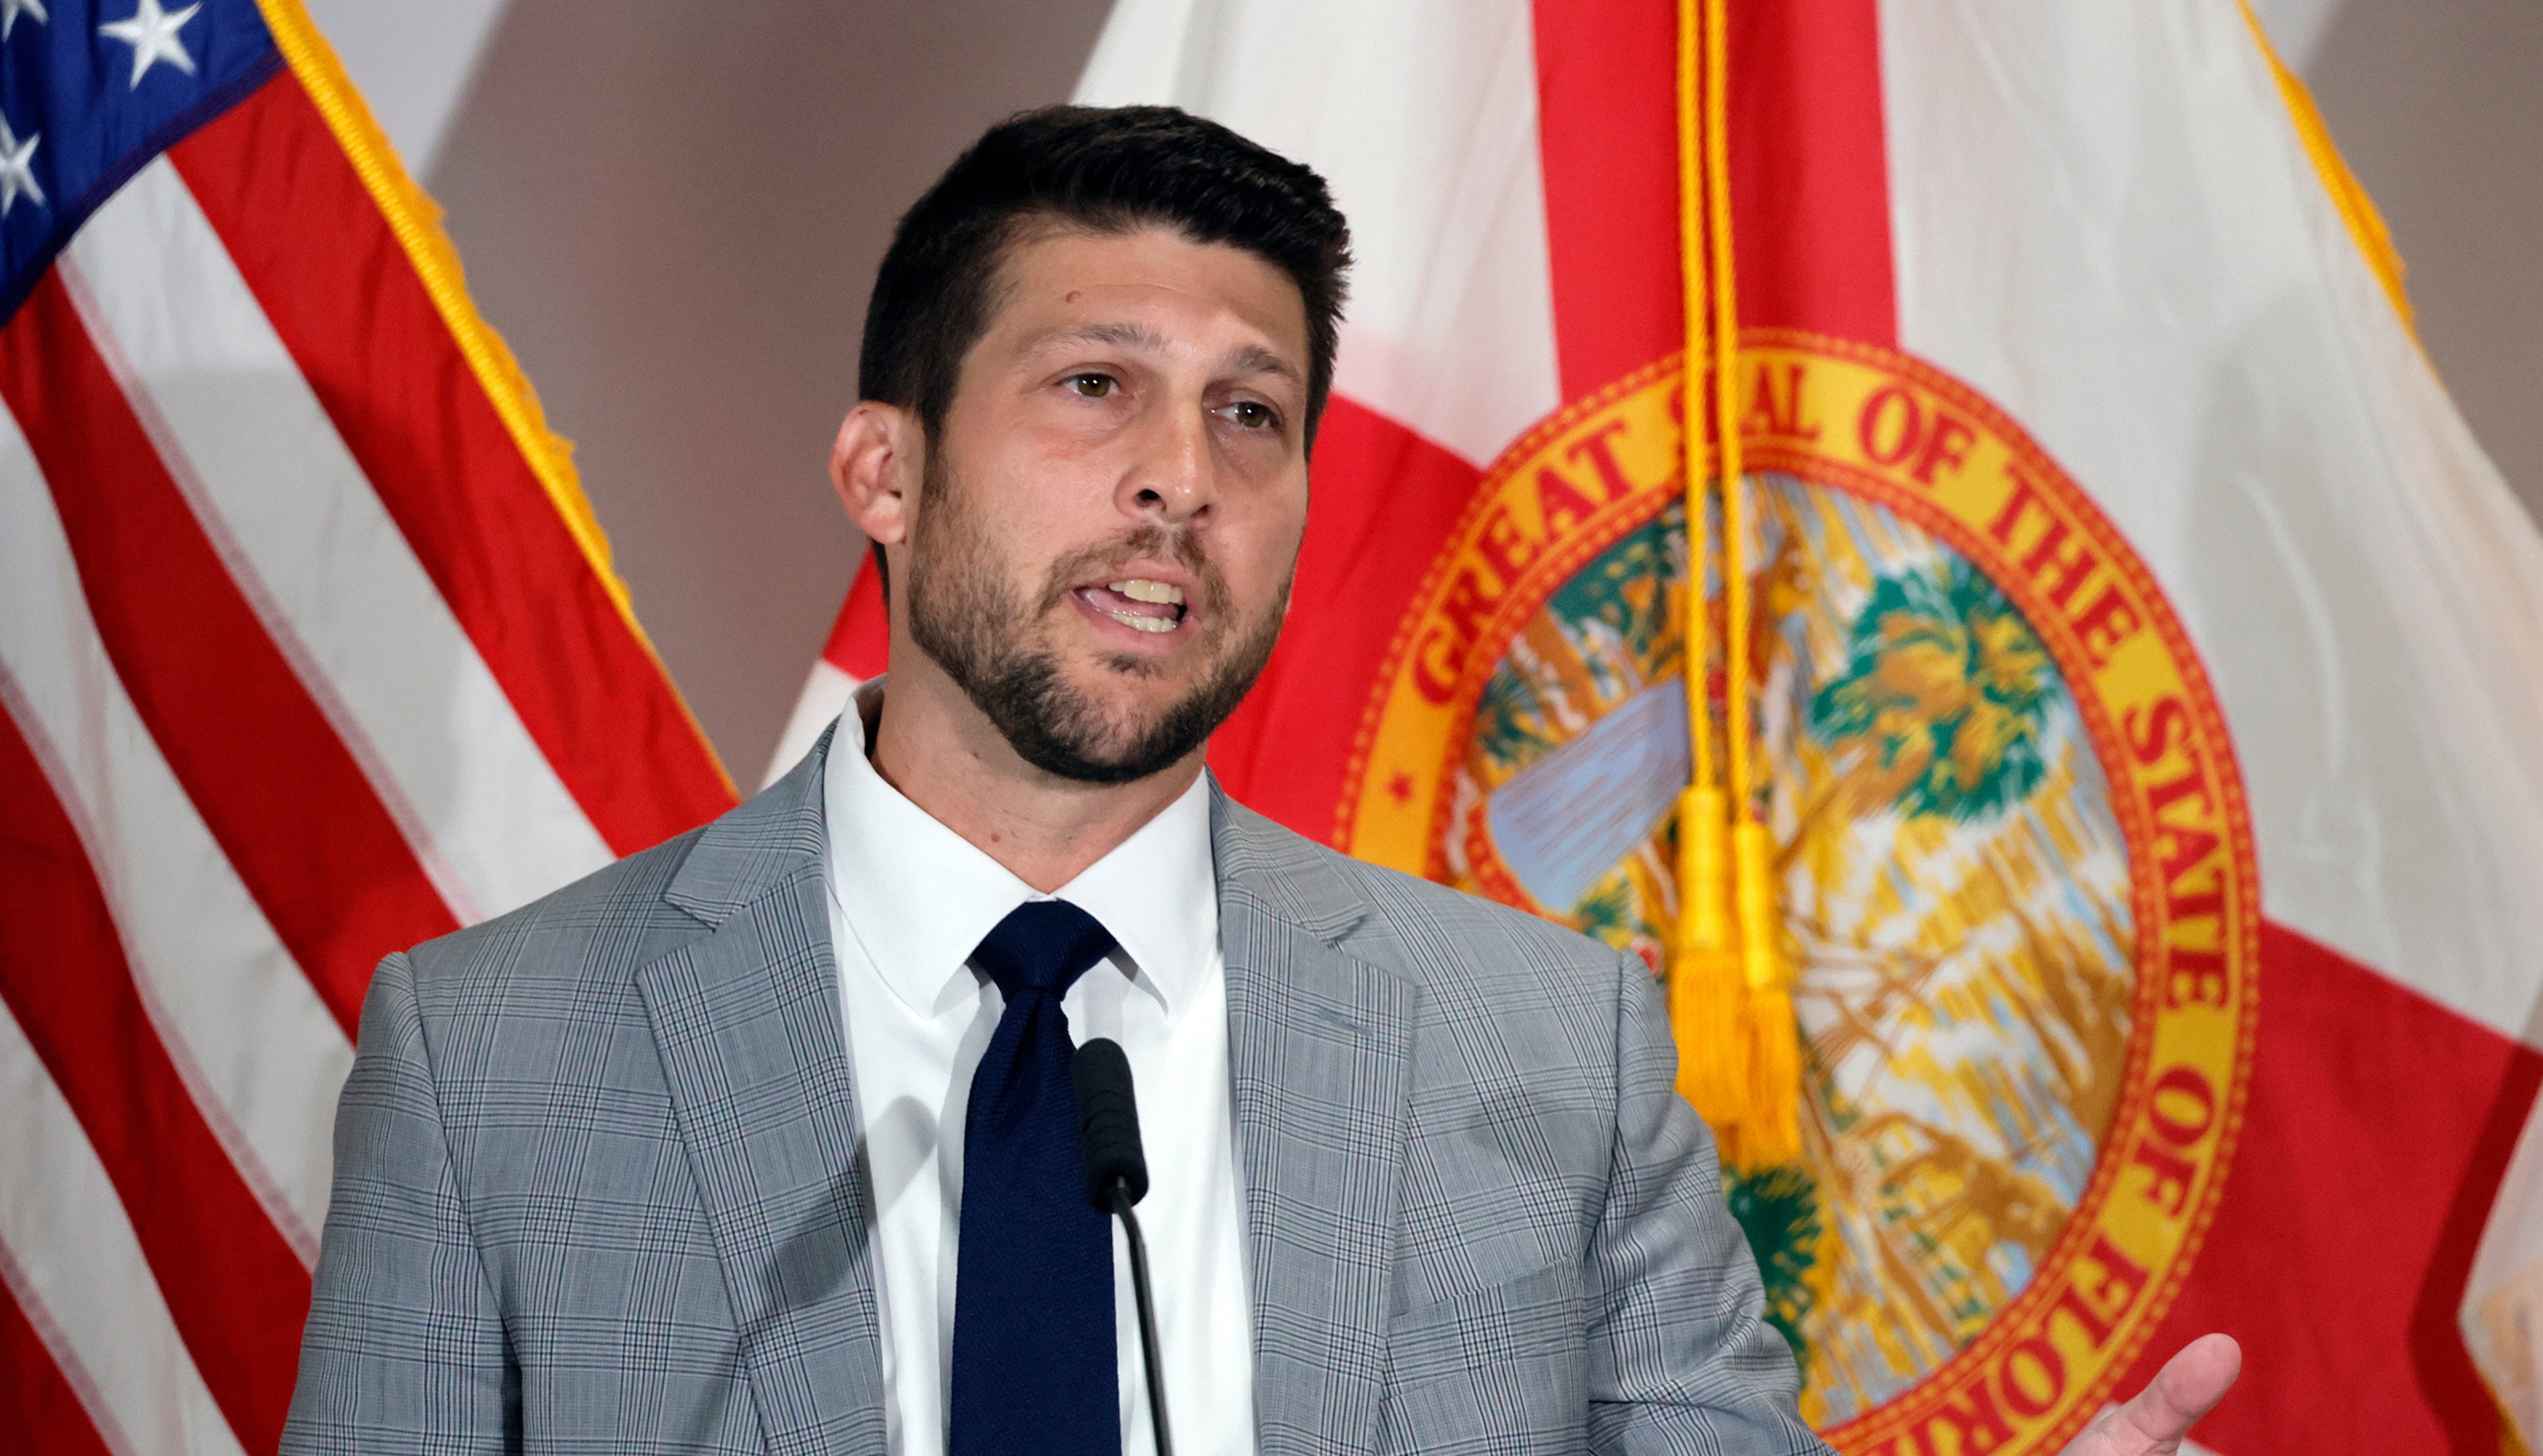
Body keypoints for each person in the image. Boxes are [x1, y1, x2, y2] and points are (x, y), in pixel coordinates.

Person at [282, 105, 2238, 1455]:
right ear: (884, 472)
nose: (1183, 477)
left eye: (1251, 412)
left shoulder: (1553, 1054)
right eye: (1093, 385)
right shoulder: (500, 1062)